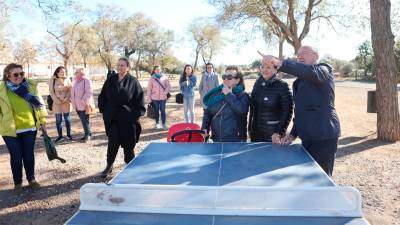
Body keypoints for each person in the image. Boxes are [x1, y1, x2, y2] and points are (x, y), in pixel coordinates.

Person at [259, 46, 341, 176]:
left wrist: (281, 63)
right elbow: (301, 111)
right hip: (307, 137)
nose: (300, 56)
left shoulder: (324, 69)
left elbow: (312, 72)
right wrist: (293, 134)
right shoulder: (299, 82)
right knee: (309, 177)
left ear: (316, 56)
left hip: (324, 136)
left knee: (321, 178)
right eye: (298, 55)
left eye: (305, 53)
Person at [0, 63, 48, 192]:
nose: (19, 76)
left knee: (28, 155)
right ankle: (17, 182)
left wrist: (42, 121)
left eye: (21, 74)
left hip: (29, 127)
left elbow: (40, 104)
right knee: (16, 157)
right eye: (15, 74)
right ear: (7, 76)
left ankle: (31, 179)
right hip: (10, 130)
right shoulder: (1, 89)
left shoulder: (30, 86)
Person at [98, 58, 145, 178]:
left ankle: (130, 165)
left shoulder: (133, 81)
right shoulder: (110, 80)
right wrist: (105, 110)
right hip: (113, 118)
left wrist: (135, 115)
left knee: (129, 144)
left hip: (128, 119)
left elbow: (139, 99)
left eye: (122, 65)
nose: (120, 67)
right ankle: (109, 165)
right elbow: (102, 96)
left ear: (128, 67)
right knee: (112, 142)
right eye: (118, 65)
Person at [201, 66, 249, 142]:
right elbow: (208, 112)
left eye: (229, 77)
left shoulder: (243, 96)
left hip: (236, 141)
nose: (226, 79)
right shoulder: (216, 94)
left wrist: (229, 95)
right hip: (216, 139)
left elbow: (241, 110)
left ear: (237, 80)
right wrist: (205, 128)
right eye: (224, 77)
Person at [248, 61, 293, 143]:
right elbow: (253, 109)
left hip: (273, 136)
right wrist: (250, 128)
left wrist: (278, 132)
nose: (264, 69)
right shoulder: (257, 83)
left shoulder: (282, 86)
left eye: (268, 67)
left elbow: (288, 111)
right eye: (262, 67)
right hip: (255, 134)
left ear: (276, 70)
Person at [48, 66, 72, 143]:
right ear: (57, 72)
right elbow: (51, 92)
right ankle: (60, 136)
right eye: (61, 72)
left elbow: (70, 90)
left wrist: (67, 98)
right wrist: (57, 100)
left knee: (67, 119)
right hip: (57, 103)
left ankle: (69, 135)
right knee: (58, 120)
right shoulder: (52, 80)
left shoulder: (68, 79)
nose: (63, 73)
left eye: (64, 72)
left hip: (66, 102)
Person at [71, 67, 94, 142]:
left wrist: (83, 101)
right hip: (77, 105)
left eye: (77, 72)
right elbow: (73, 92)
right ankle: (88, 133)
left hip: (84, 105)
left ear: (81, 73)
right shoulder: (76, 81)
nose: (75, 73)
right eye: (76, 72)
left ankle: (88, 135)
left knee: (85, 120)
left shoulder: (86, 80)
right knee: (84, 120)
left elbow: (89, 92)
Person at [146, 65, 171, 130]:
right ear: (154, 71)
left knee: (163, 111)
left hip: (163, 98)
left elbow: (168, 86)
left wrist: (164, 93)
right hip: (154, 98)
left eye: (159, 69)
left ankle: (164, 124)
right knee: (156, 111)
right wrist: (149, 99)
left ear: (160, 70)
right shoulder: (152, 78)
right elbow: (149, 89)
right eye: (156, 69)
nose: (158, 70)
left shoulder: (165, 77)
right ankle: (157, 123)